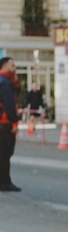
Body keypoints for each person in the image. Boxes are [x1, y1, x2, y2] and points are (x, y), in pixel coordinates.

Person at [0, 56, 21, 191]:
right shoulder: (5, 82)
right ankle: (5, 182)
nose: (14, 68)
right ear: (5, 66)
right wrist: (14, 122)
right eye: (12, 66)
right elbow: (9, 103)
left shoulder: (5, 81)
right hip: (5, 122)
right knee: (5, 153)